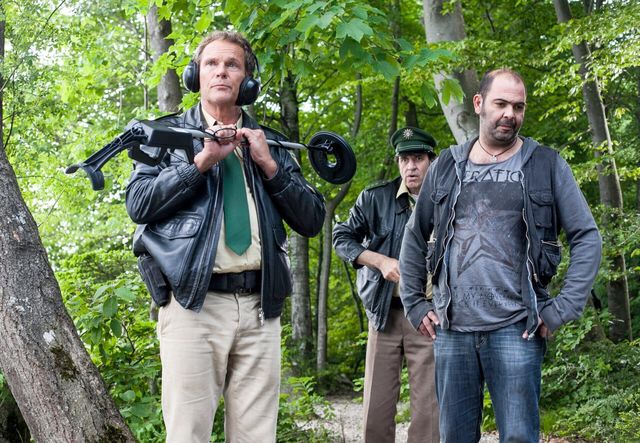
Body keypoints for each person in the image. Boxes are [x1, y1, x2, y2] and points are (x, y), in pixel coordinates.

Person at [125, 31, 325, 442]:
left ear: (247, 81)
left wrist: (271, 167)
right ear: (194, 75)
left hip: (260, 307)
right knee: (188, 434)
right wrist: (198, 165)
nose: (221, 72)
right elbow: (139, 204)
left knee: (257, 436)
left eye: (232, 65)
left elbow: (311, 219)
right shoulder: (165, 135)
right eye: (211, 63)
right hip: (193, 305)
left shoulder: (270, 142)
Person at [399, 68, 602, 442]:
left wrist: (562, 308)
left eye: (518, 107)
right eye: (501, 104)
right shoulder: (446, 165)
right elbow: (414, 237)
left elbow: (587, 238)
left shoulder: (545, 165)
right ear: (478, 104)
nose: (510, 113)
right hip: (452, 329)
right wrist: (413, 302)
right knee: (454, 437)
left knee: (519, 437)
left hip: (518, 328)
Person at [333, 127, 440, 443]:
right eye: (404, 159)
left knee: (429, 411)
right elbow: (342, 237)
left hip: (429, 315)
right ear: (397, 162)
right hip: (384, 312)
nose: (411, 167)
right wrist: (379, 261)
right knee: (376, 409)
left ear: (431, 161)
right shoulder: (375, 198)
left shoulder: (447, 199)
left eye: (418, 158)